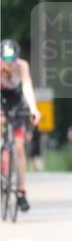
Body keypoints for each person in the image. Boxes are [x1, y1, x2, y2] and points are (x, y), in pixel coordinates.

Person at [1, 39, 42, 211]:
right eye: (5, 60)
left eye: (12, 61)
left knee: (19, 148)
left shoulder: (22, 66)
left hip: (17, 102)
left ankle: (21, 192)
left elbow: (27, 87)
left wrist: (34, 109)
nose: (9, 65)